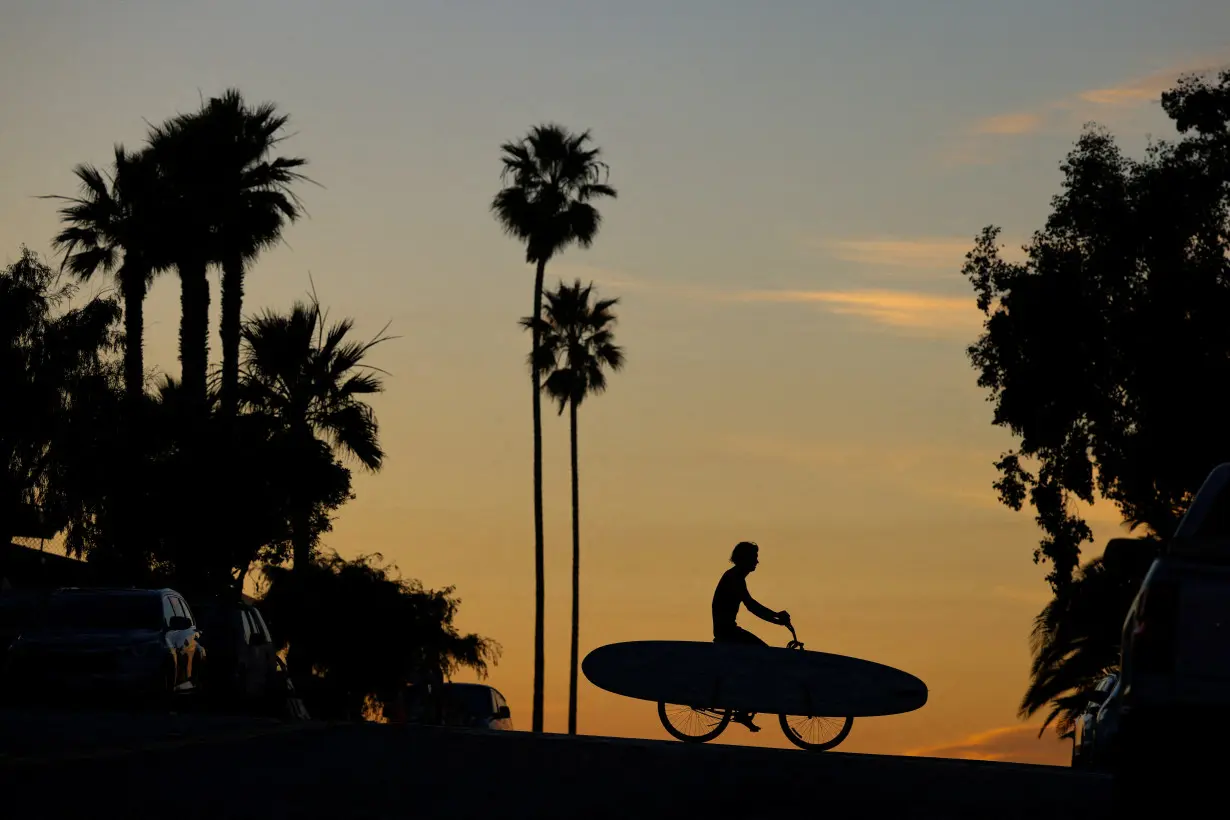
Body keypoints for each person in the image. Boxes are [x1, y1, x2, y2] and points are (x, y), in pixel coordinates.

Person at [711, 540, 789, 732]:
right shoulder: (734, 578)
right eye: (754, 557)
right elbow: (751, 605)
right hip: (727, 632)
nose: (757, 562)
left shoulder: (736, 577)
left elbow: (750, 604)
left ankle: (743, 705)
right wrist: (776, 618)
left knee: (754, 661)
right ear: (744, 559)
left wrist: (775, 617)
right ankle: (743, 707)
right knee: (764, 655)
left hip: (728, 630)